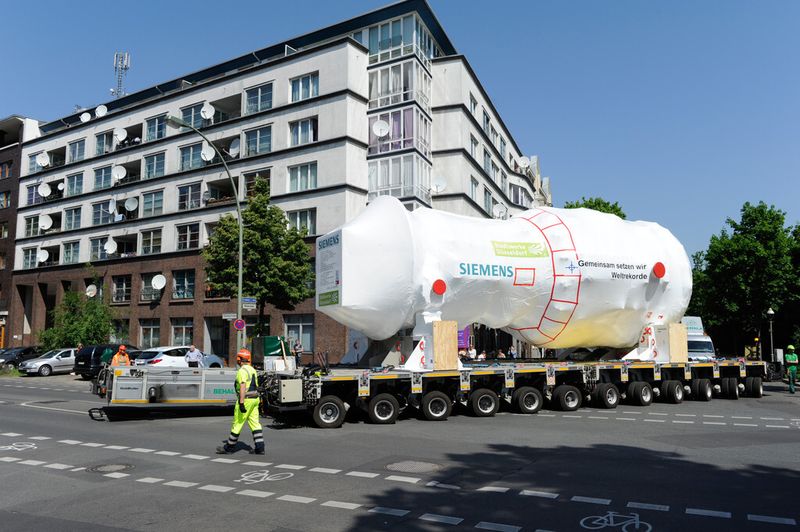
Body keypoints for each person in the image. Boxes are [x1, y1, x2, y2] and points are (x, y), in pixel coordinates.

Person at [217, 349, 264, 455]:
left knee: (237, 424)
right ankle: (260, 448)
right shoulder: (252, 370)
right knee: (255, 423)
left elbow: (243, 387)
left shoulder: (242, 371)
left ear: (240, 359)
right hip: (255, 399)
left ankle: (229, 448)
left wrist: (241, 403)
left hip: (246, 400)